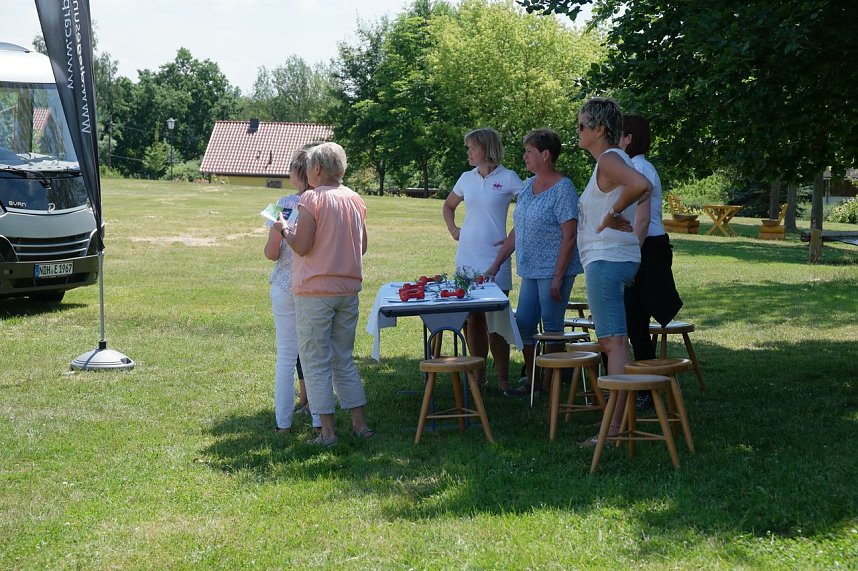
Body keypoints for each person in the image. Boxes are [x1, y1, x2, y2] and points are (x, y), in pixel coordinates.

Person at [282, 141, 372, 447]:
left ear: (318, 169)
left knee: (315, 360)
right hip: (348, 289)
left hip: (314, 291)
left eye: (309, 167)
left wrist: (283, 228)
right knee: (343, 358)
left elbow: (302, 245)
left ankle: (328, 432)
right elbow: (362, 246)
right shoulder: (355, 199)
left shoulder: (311, 198)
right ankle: (360, 425)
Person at [575, 98, 653, 444]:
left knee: (613, 343)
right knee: (615, 341)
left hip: (607, 261)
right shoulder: (608, 161)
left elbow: (640, 185)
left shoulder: (609, 158)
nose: (577, 131)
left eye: (581, 126)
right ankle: (616, 422)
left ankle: (615, 427)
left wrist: (612, 215)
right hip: (611, 259)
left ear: (599, 130)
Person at [485, 128, 583, 397]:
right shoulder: (528, 185)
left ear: (546, 155)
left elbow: (570, 234)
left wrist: (558, 276)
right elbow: (518, 228)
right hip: (530, 269)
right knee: (525, 324)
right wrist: (496, 263)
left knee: (551, 326)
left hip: (554, 271)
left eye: (529, 151)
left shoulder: (564, 189)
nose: (524, 156)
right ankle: (533, 379)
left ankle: (551, 384)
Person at [442, 128, 523, 392]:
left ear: (487, 149)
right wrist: (454, 230)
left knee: (497, 319)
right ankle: (478, 377)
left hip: (495, 259)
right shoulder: (466, 178)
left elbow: (527, 211)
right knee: (474, 319)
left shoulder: (509, 177)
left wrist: (512, 237)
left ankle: (503, 379)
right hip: (467, 258)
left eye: (472, 147)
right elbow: (448, 206)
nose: (468, 152)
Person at [265, 143, 322, 434]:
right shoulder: (320, 203)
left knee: (286, 357)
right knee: (312, 355)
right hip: (310, 287)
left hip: (283, 286)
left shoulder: (284, 203)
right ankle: (317, 422)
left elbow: (271, 253)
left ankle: (283, 424)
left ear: (294, 174)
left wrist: (278, 230)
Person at [620, 114, 683, 358]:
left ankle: (645, 390)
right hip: (642, 245)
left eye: (618, 133)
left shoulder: (639, 168)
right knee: (630, 320)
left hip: (646, 247)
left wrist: (631, 255)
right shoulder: (630, 166)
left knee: (635, 322)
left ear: (629, 138)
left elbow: (643, 219)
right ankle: (634, 385)